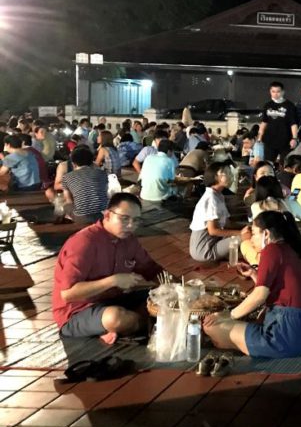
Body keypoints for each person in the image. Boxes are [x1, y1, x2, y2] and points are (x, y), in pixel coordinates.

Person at [204, 210, 301, 358]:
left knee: (213, 328)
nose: (251, 239)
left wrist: (228, 315)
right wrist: (253, 274)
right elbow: (278, 288)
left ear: (266, 234)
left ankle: (253, 347)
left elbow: (260, 295)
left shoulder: (271, 249)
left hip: (286, 336)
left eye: (254, 233)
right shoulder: (291, 248)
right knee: (254, 319)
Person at [52, 193, 162, 342]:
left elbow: (152, 270)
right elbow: (68, 294)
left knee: (160, 297)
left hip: (114, 300)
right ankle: (148, 325)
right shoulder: (84, 242)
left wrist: (179, 288)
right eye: (124, 219)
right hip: (78, 310)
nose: (130, 225)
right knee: (115, 318)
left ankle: (123, 327)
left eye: (136, 221)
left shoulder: (129, 240)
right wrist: (113, 281)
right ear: (108, 215)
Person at [189, 162, 250, 262]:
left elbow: (227, 224)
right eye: (225, 173)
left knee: (247, 232)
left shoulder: (218, 195)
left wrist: (246, 226)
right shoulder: (211, 198)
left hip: (212, 241)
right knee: (245, 237)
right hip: (204, 250)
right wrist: (240, 233)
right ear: (215, 177)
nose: (230, 175)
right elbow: (212, 231)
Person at [60, 146, 109, 223]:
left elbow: (69, 201)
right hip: (103, 215)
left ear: (73, 163)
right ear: (92, 162)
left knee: (66, 206)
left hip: (82, 217)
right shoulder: (102, 173)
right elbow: (104, 191)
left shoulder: (66, 177)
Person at [257, 81, 300, 164]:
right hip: (269, 140)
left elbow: (293, 124)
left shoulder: (290, 106)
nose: (275, 94)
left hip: (285, 142)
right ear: (270, 92)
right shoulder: (267, 105)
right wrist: (259, 136)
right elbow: (264, 122)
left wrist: (294, 138)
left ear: (283, 92)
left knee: (284, 164)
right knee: (268, 164)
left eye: (278, 91)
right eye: (273, 91)